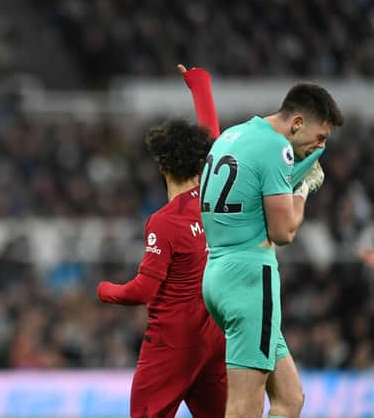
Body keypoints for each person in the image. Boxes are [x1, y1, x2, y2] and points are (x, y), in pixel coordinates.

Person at [200, 82, 343, 418]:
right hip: (250, 280)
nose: (320, 146)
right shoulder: (277, 148)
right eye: (320, 137)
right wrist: (304, 187)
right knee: (244, 407)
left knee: (290, 399)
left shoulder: (233, 136)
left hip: (218, 275)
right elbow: (284, 232)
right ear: (296, 123)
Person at [96, 65, 227, 418]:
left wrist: (105, 290)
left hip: (172, 342)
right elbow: (212, 135)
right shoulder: (214, 197)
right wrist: (200, 84)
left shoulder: (164, 222)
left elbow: (143, 291)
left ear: (162, 166)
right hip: (215, 335)